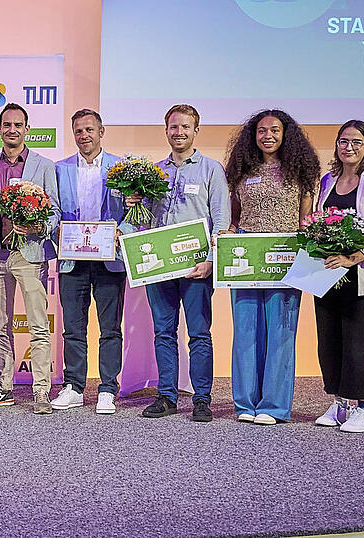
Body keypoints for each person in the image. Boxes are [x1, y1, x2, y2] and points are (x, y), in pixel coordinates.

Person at [131, 104, 230, 423]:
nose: (179, 132)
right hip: (160, 267)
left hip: (197, 267)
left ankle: (202, 398)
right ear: (166, 130)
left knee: (200, 333)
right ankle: (167, 396)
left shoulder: (211, 169)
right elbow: (141, 219)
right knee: (163, 331)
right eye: (173, 127)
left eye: (186, 127)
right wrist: (132, 206)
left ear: (196, 131)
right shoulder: (154, 172)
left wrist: (212, 261)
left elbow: (222, 219)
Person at [226, 109, 319, 425]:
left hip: (285, 262)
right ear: (253, 136)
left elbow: (306, 221)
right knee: (246, 331)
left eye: (274, 130)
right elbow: (235, 218)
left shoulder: (300, 174)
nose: (267, 136)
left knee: (281, 332)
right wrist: (228, 234)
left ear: (286, 134)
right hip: (246, 261)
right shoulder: (241, 171)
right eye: (261, 131)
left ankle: (274, 406)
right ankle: (245, 403)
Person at [0, 103, 59, 415]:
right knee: (0, 324)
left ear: (27, 129)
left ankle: (41, 391)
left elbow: (57, 211)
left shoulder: (44, 165)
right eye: (6, 124)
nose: (12, 129)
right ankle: (4, 386)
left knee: (38, 325)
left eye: (18, 125)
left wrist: (42, 225)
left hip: (31, 253)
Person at [52, 109, 127, 415]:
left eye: (89, 130)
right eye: (78, 131)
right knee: (73, 328)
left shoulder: (123, 168)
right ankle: (74, 387)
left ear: (101, 131)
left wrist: (125, 231)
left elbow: (137, 211)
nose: (84, 135)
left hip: (110, 259)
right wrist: (53, 226)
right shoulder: (60, 169)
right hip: (73, 260)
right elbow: (53, 209)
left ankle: (108, 388)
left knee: (110, 328)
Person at [312, 120, 364, 433]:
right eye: (343, 141)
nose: (348, 147)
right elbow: (318, 223)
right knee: (330, 341)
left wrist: (353, 257)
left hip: (362, 275)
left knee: (359, 344)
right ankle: (340, 403)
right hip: (327, 274)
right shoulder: (328, 180)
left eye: (356, 142)